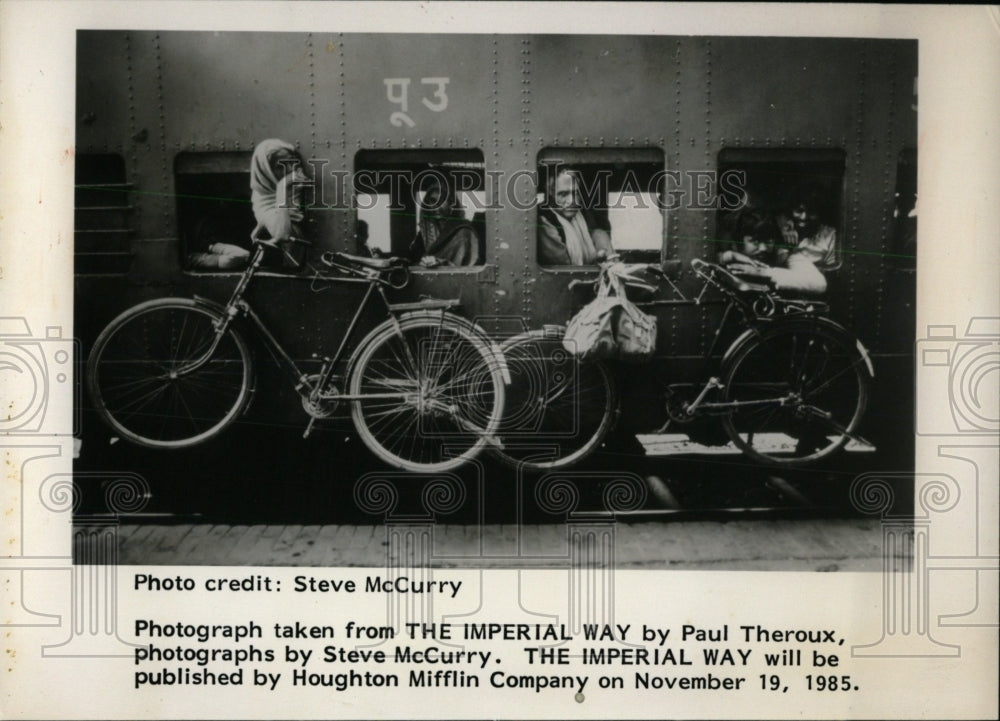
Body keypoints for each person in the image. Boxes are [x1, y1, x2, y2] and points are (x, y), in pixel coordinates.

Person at [719, 209, 827, 295]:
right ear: (736, 243)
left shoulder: (784, 254)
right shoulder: (731, 253)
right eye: (755, 242)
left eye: (768, 241)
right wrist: (729, 256)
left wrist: (765, 272)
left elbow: (820, 284)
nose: (763, 248)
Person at [537, 168, 615, 265]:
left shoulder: (582, 214)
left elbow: (598, 235)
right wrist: (597, 258)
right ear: (550, 195)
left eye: (575, 193)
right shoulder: (545, 220)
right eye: (563, 194)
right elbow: (563, 267)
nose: (572, 201)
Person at [409, 173, 480, 266]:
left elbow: (467, 265)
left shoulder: (464, 231)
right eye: (432, 201)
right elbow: (414, 260)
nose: (436, 206)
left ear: (451, 204)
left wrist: (441, 263)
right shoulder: (424, 233)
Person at [776, 185, 839, 271]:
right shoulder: (786, 229)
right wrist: (787, 244)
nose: (803, 217)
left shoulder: (829, 235)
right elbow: (780, 265)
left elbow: (831, 268)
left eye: (811, 212)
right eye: (799, 211)